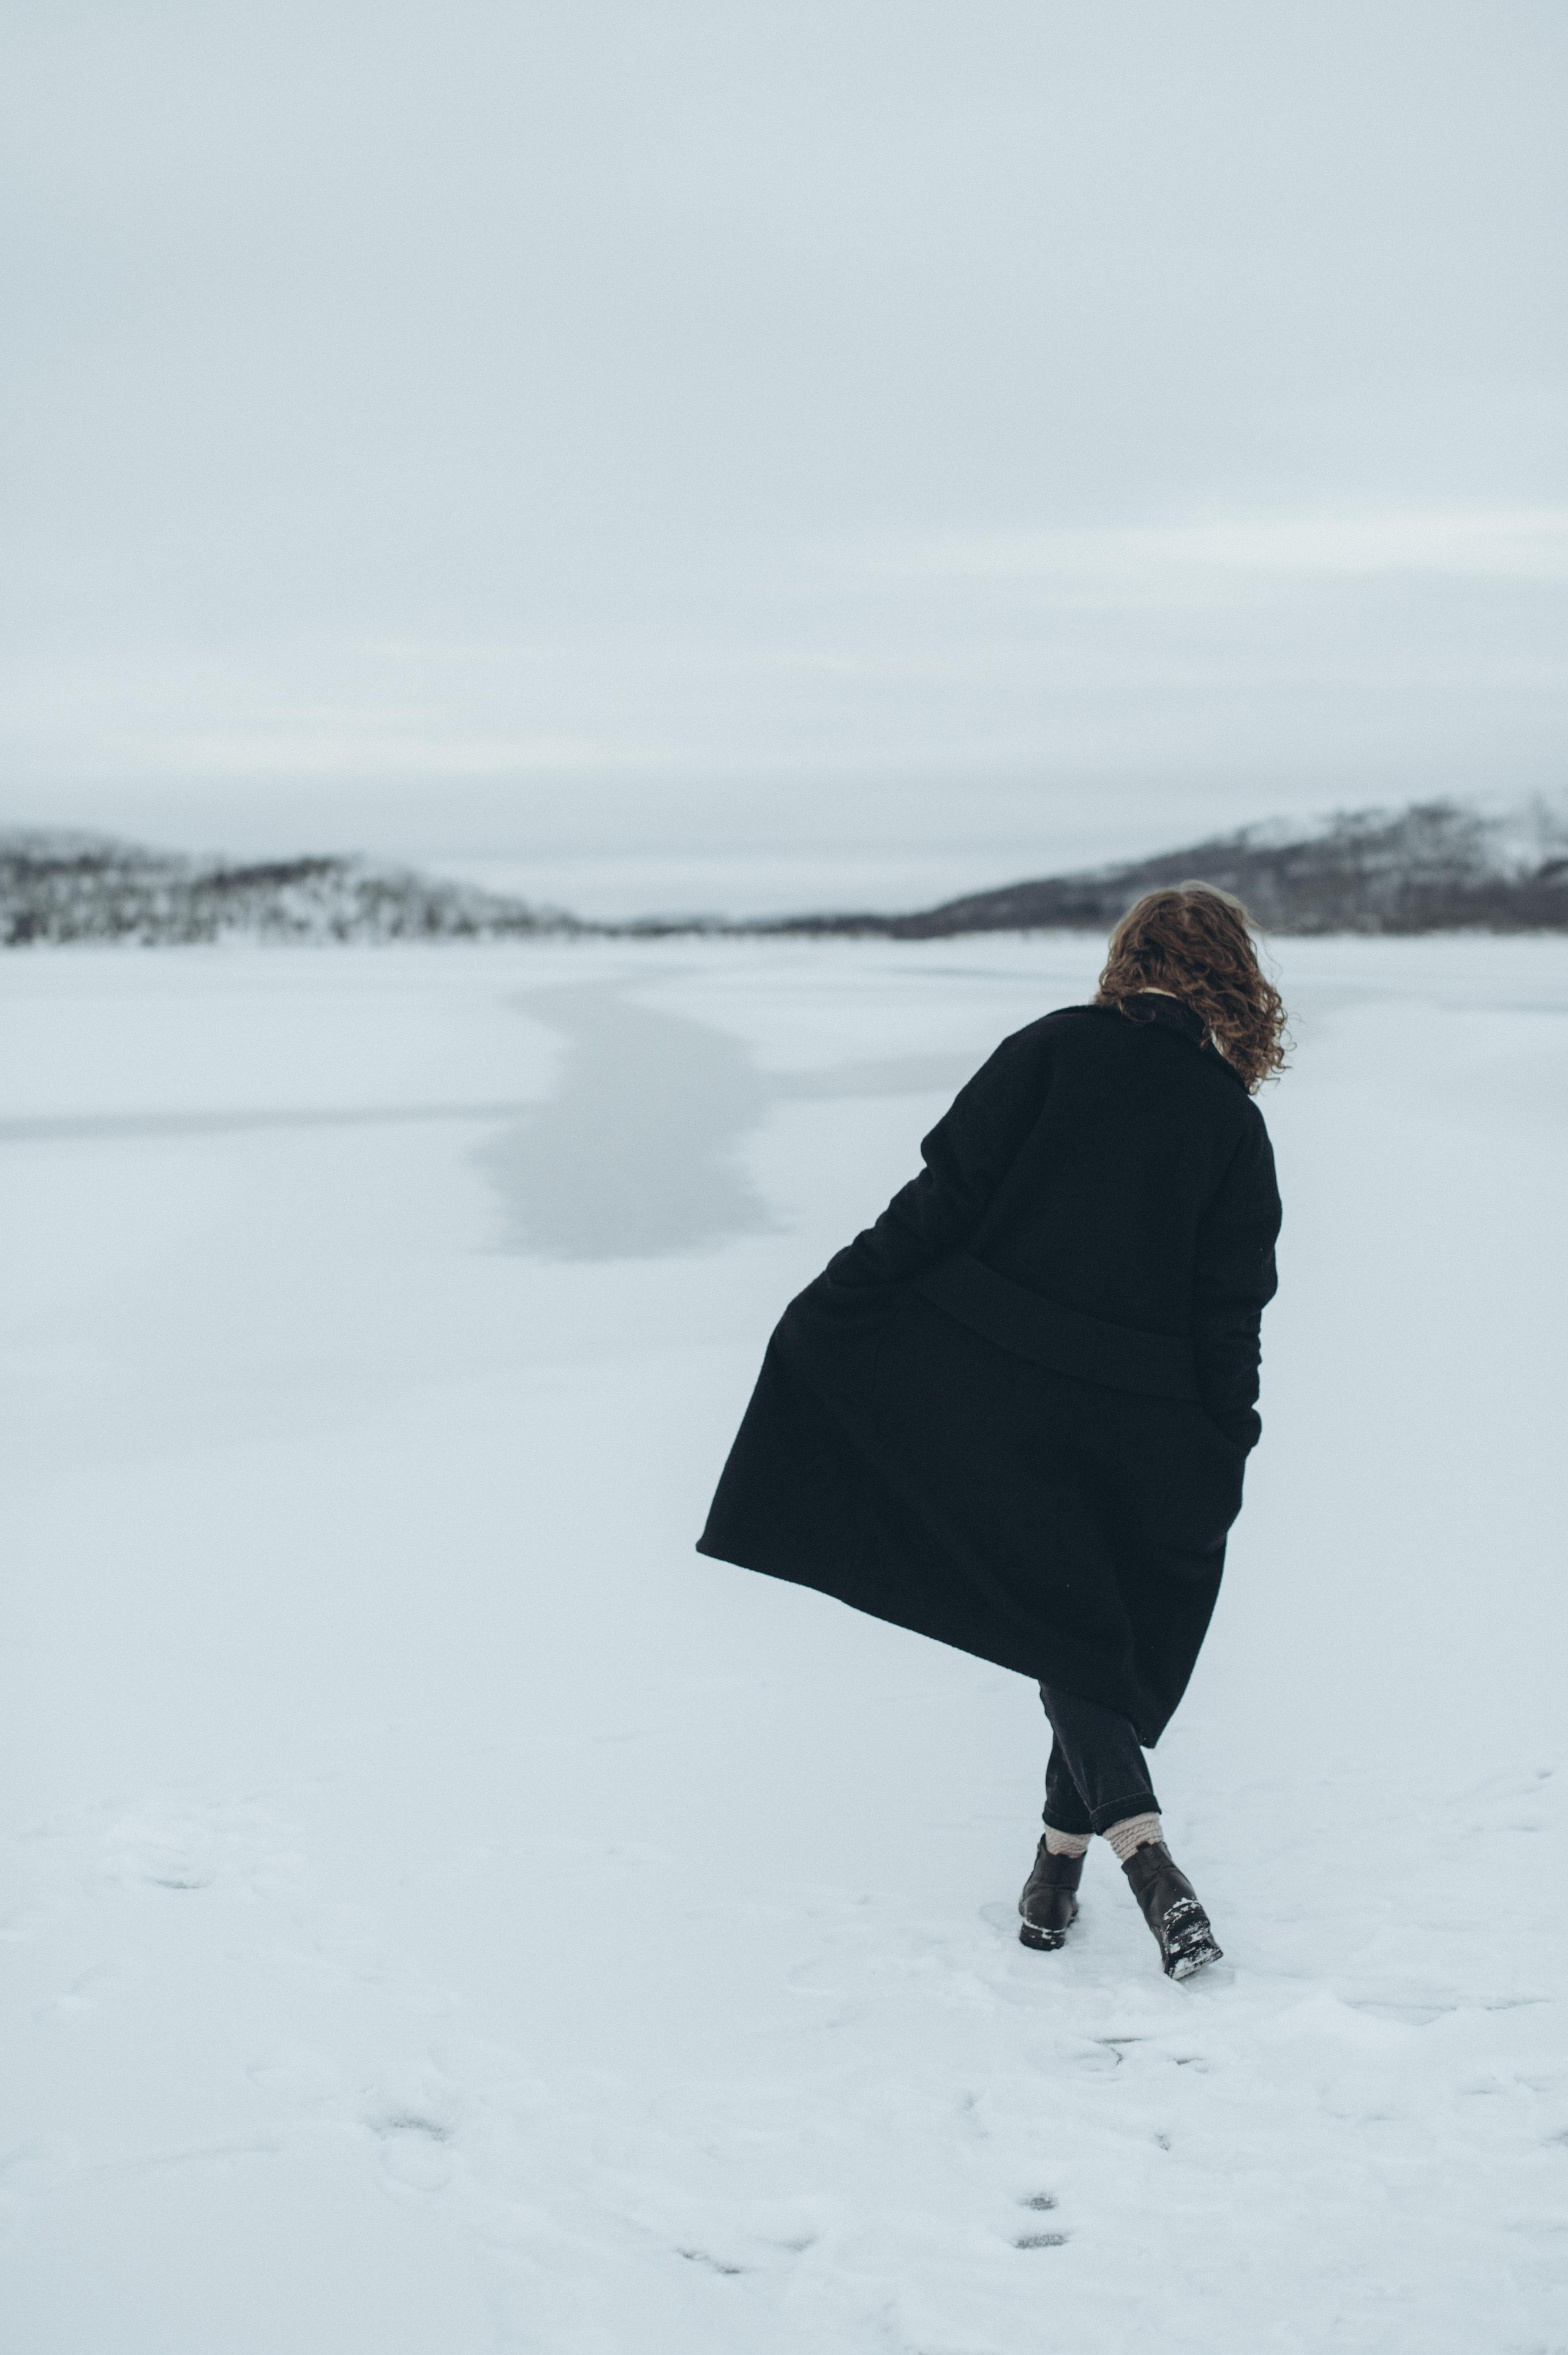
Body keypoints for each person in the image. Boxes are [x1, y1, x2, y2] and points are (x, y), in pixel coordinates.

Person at [697, 884, 1286, 1980]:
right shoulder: (1230, 1123)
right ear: (1229, 981)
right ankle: (1136, 1854)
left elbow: (938, 1204)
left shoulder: (1049, 1051)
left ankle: (1066, 1862)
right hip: (1138, 1423)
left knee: (1076, 1631)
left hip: (995, 1398)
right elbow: (1229, 1319)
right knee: (1084, 1626)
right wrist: (1225, 1449)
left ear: (1131, 960)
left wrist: (834, 1308)